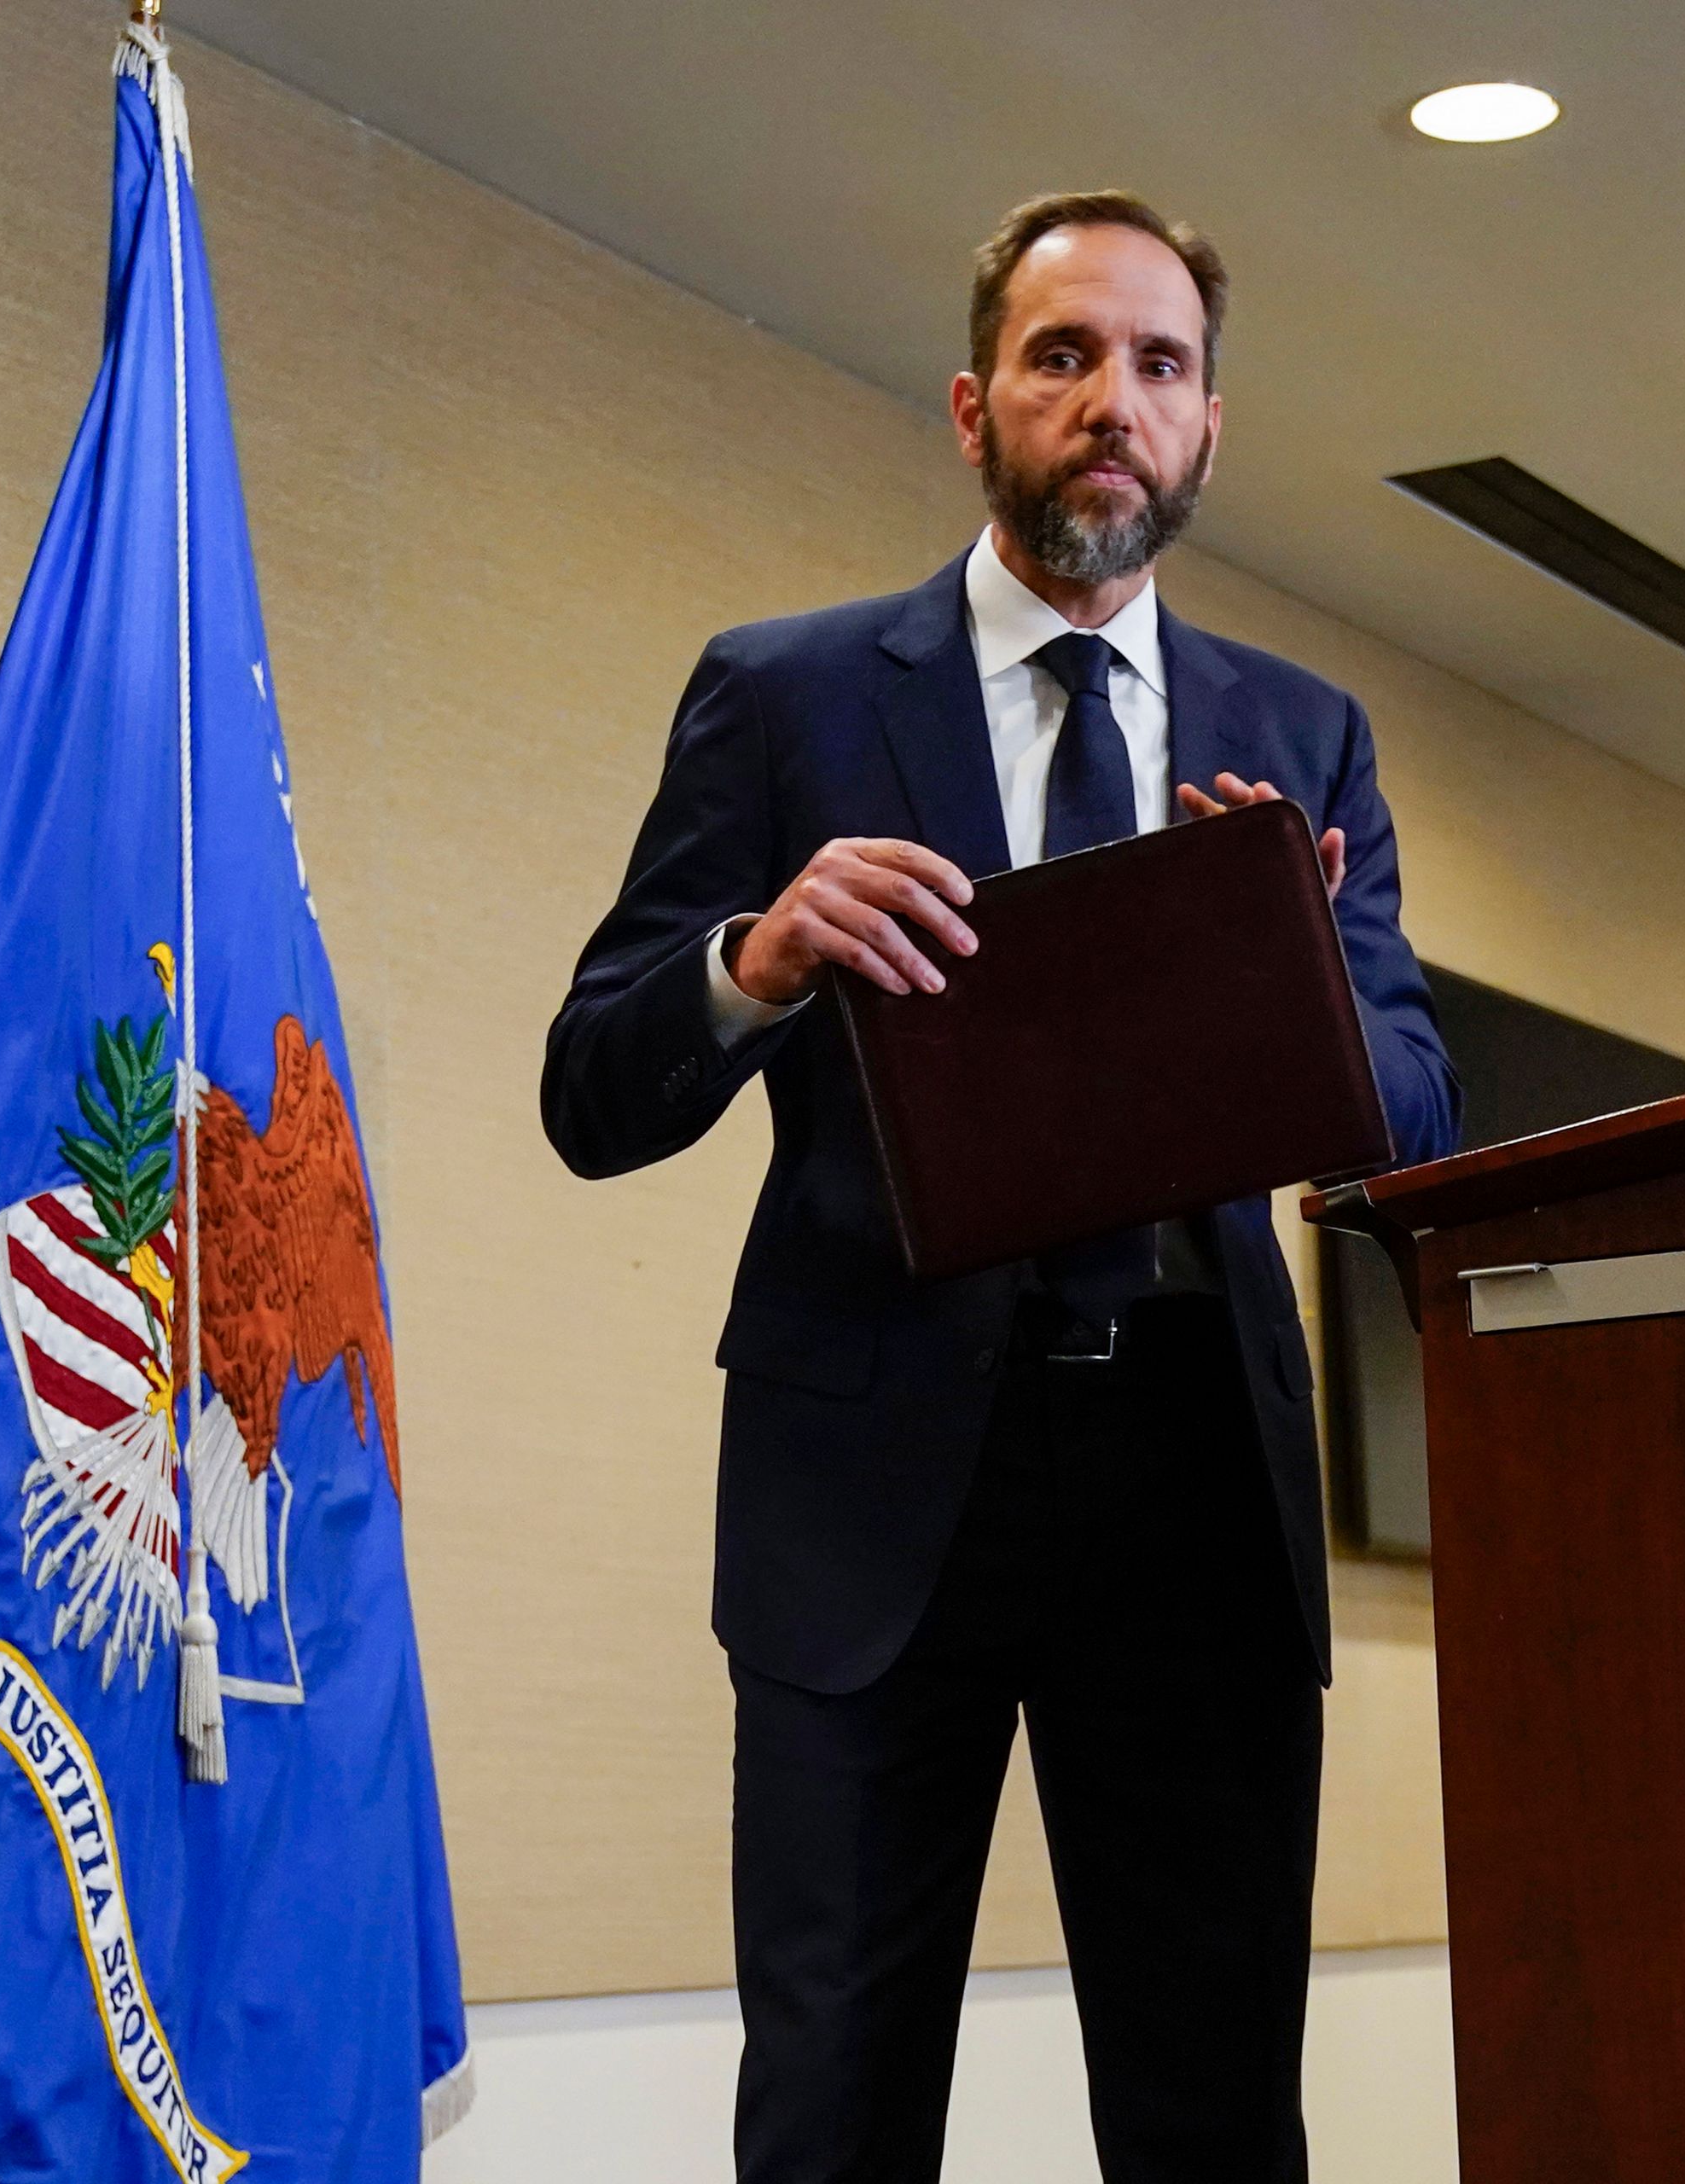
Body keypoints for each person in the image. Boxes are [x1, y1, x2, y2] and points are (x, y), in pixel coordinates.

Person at [542, 189, 1459, 2183]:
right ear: (975, 405)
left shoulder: (1302, 741)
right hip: (871, 1489)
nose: (1109, 400)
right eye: (1063, 356)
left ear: (1211, 430)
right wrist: (756, 960)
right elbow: (593, 1084)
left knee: (1213, 2107)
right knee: (833, 2102)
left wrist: (1287, 996)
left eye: (1157, 364)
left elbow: (1418, 1104)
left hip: (1196, 1486)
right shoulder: (781, 696)